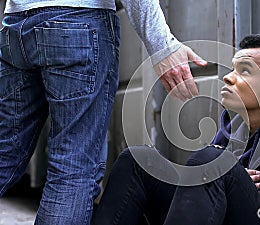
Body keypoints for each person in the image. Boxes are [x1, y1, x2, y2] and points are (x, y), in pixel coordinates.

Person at [92, 34, 260, 225]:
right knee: (138, 161)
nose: (228, 78)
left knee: (213, 161)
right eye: (232, 69)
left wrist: (256, 201)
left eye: (245, 71)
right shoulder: (233, 131)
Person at [0, 0, 207, 224]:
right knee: (73, 166)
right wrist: (163, 46)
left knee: (5, 150)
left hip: (17, 24)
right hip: (78, 21)